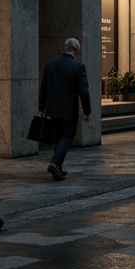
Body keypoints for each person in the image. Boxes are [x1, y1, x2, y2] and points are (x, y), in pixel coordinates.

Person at [38, 37, 92, 180]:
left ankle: (59, 168)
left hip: (53, 109)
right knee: (67, 136)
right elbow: (84, 91)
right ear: (75, 48)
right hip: (68, 110)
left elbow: (43, 88)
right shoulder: (78, 67)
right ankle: (55, 164)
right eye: (78, 47)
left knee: (58, 138)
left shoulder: (51, 64)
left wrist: (41, 107)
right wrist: (87, 111)